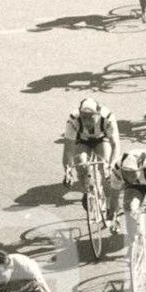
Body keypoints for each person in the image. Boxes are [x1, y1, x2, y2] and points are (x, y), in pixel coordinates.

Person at [62, 97, 122, 231]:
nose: (87, 121)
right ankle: (87, 189)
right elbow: (68, 150)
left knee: (106, 169)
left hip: (102, 138)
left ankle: (114, 214)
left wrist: (110, 166)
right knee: (81, 164)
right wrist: (67, 171)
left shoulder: (108, 117)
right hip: (82, 140)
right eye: (84, 118)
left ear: (98, 114)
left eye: (91, 118)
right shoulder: (73, 120)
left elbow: (115, 145)